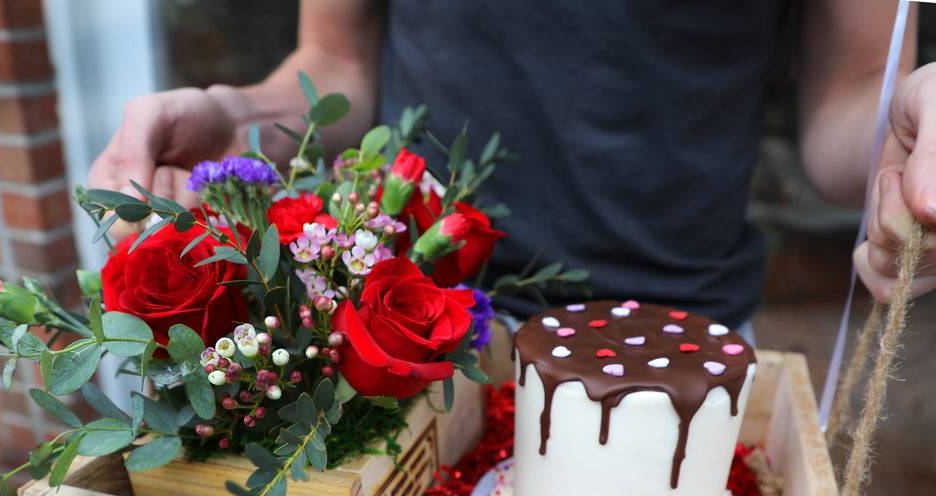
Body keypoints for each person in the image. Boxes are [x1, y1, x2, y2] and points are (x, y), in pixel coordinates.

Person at [88, 0, 936, 326]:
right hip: (410, 338)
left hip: (676, 353)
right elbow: (338, 64)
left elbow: (854, 95)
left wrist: (910, 148)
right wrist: (237, 120)